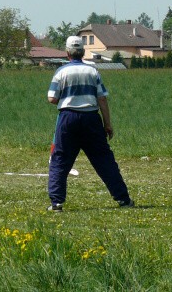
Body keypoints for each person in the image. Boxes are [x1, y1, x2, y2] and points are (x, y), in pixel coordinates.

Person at [46, 36, 133, 211]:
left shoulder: (61, 72)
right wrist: (107, 124)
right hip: (91, 119)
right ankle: (123, 199)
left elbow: (52, 98)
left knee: (61, 159)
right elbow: (101, 98)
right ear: (83, 52)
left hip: (68, 118)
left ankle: (57, 202)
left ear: (67, 53)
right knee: (104, 160)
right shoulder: (93, 72)